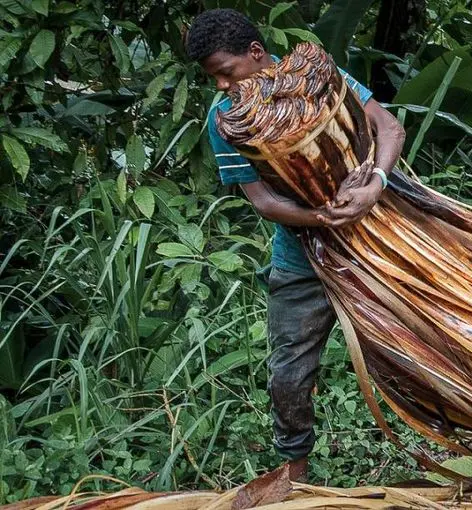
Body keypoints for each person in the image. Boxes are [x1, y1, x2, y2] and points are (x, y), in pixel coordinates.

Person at [185, 8, 406, 483]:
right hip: (302, 256)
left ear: (256, 53)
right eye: (213, 79)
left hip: (383, 241)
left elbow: (389, 128)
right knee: (288, 372)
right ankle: (296, 473)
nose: (222, 86)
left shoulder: (319, 76)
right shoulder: (225, 119)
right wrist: (320, 217)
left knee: (419, 348)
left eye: (226, 73)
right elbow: (263, 200)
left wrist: (374, 186)